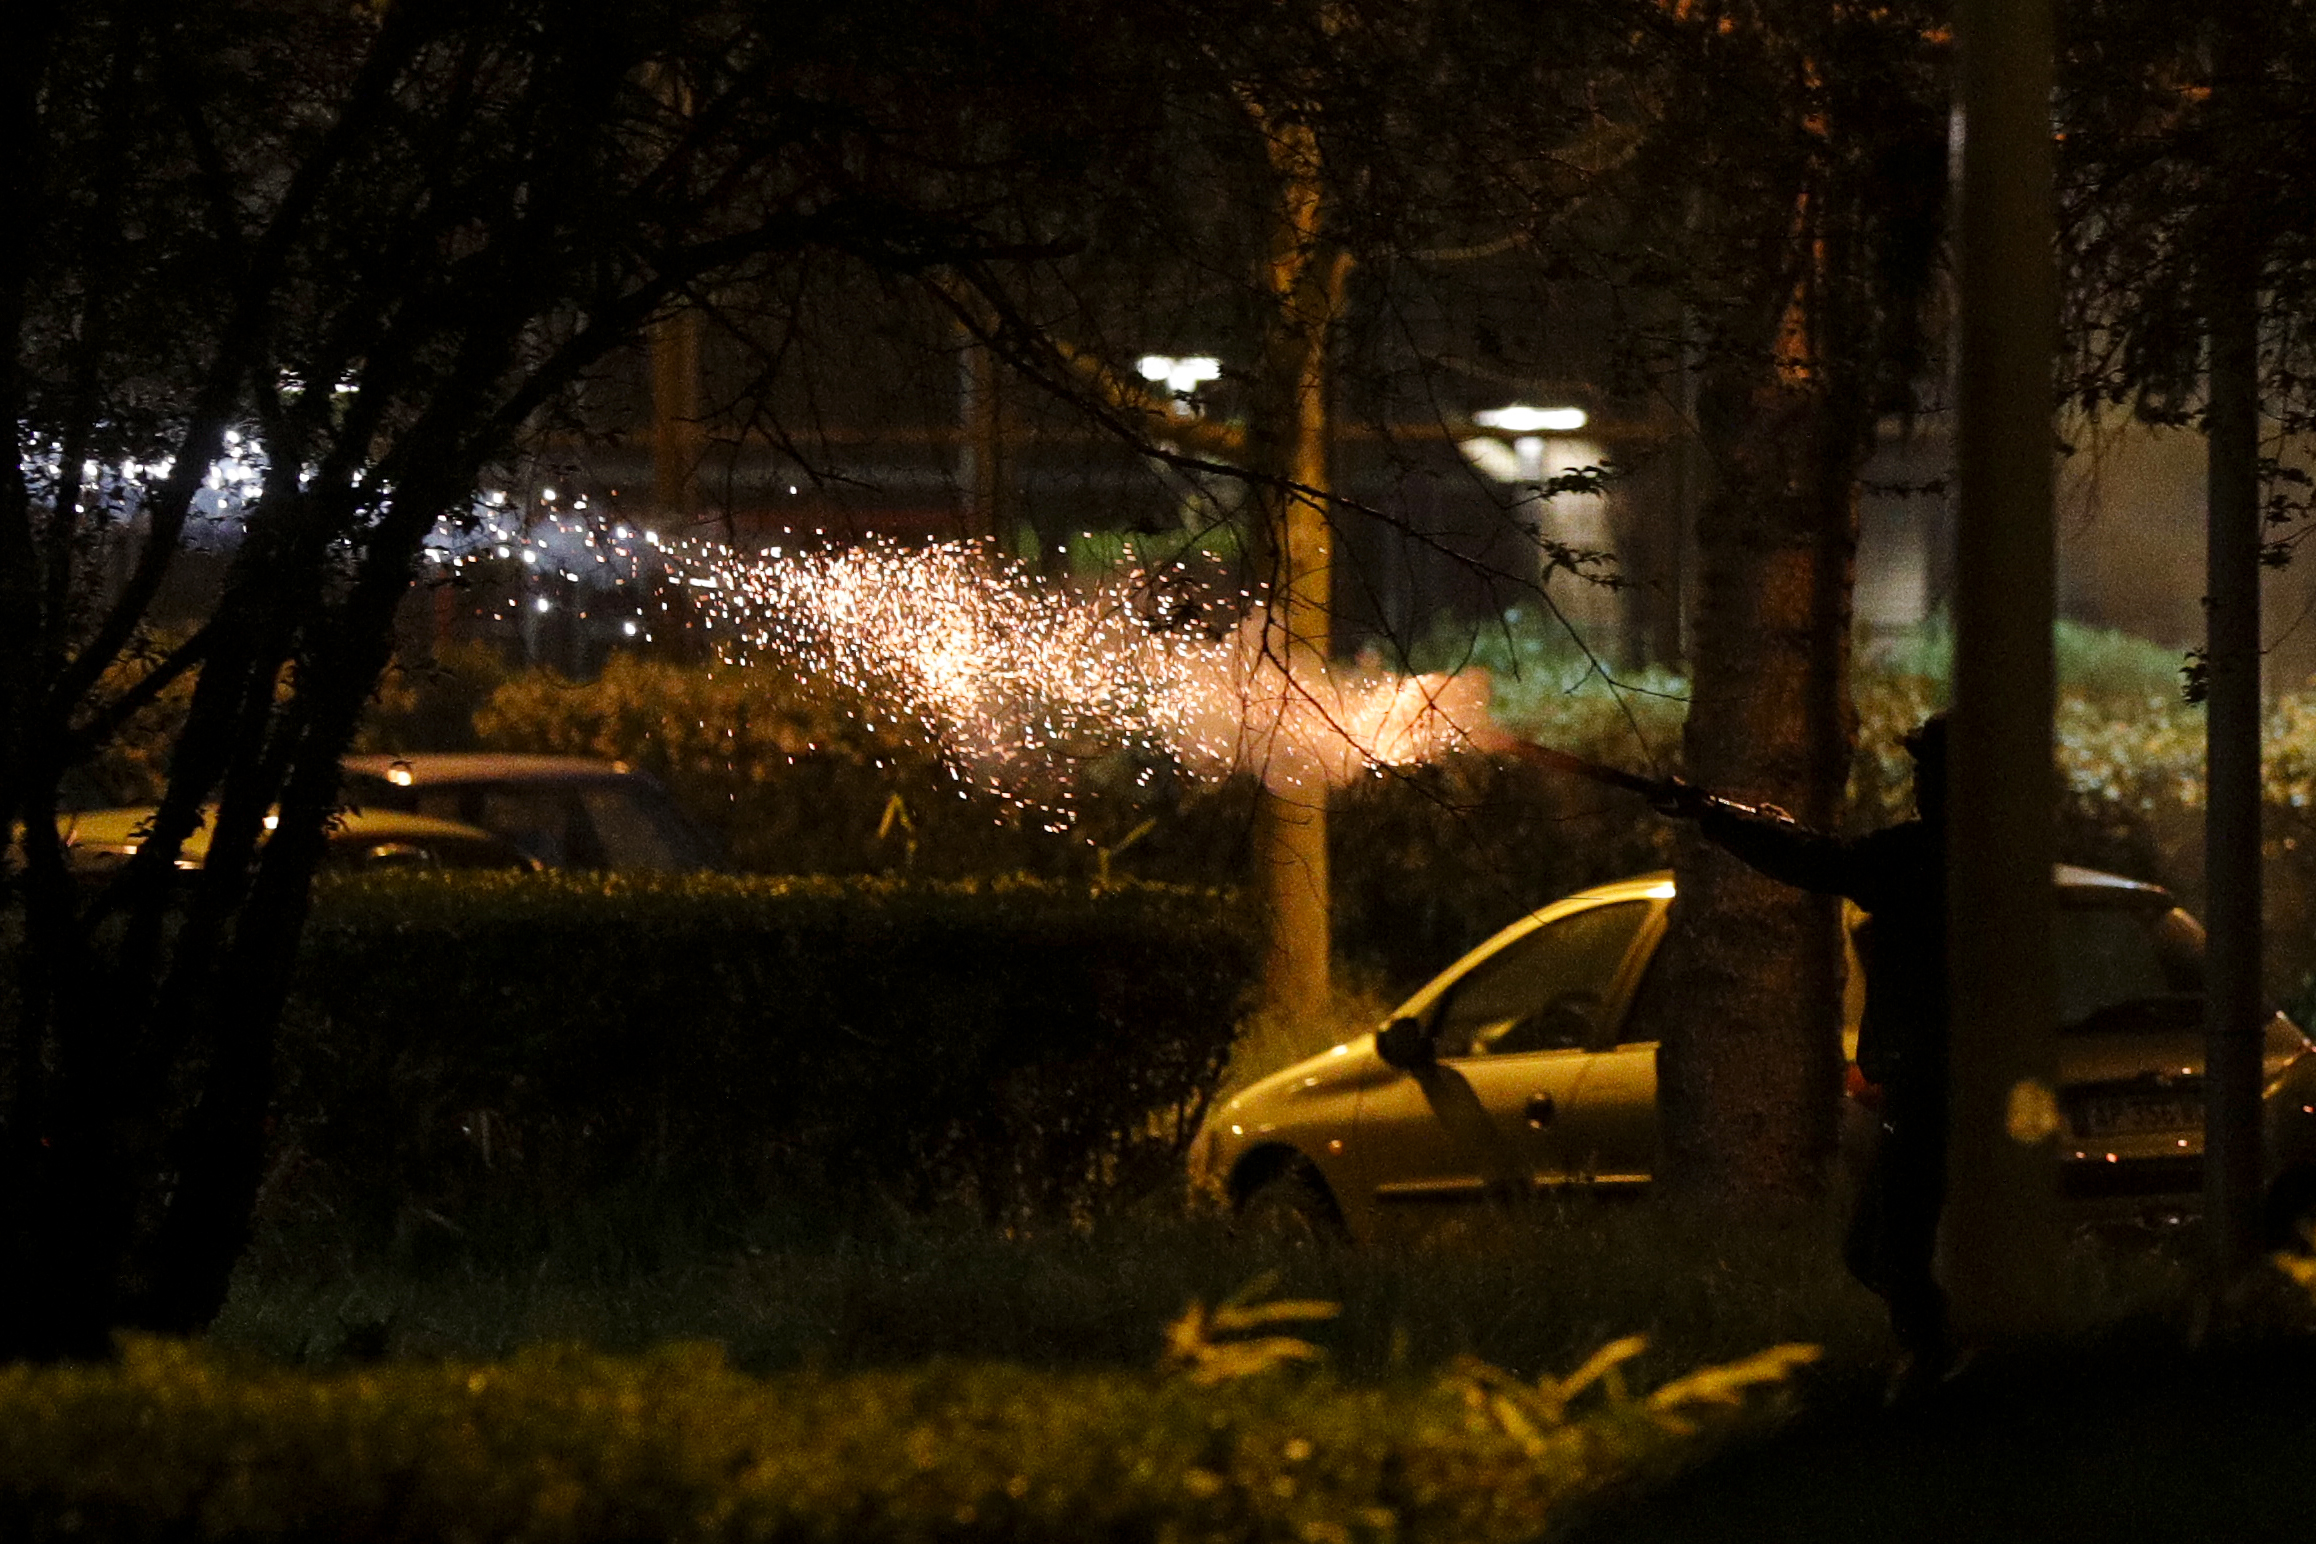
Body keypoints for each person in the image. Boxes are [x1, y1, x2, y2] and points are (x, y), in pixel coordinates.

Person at [1656, 716, 1951, 1385]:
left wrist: (1715, 817)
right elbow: (1824, 857)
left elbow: (1824, 863)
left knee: (1886, 1251)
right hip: (1943, 1079)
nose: (1919, 786)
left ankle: (1945, 1369)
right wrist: (1735, 818)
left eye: (1929, 771)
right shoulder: (1982, 856)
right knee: (1881, 1248)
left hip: (1931, 1084)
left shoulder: (1926, 856)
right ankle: (1948, 1360)